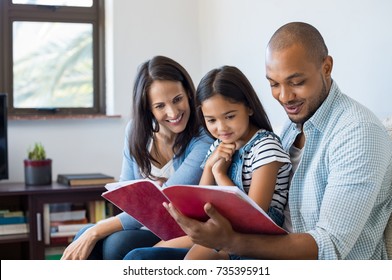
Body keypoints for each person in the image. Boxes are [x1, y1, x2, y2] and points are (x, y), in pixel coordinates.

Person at [124, 22, 392, 260]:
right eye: (274, 84)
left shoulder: (358, 133)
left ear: (326, 67)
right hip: (260, 250)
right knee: (138, 259)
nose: (285, 97)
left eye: (296, 82)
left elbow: (329, 247)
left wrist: (230, 241)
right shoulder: (291, 126)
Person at [60, 55, 213, 260]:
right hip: (141, 225)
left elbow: (162, 206)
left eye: (177, 99)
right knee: (83, 236)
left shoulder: (203, 139)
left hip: (179, 231)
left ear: (188, 93)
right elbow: (127, 195)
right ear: (148, 108)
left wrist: (97, 229)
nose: (173, 112)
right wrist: (92, 231)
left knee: (112, 243)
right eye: (160, 106)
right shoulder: (136, 131)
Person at [149, 66, 292, 260]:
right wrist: (209, 166)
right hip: (221, 224)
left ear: (249, 107)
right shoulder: (218, 145)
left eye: (230, 116)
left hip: (255, 235)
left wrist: (220, 174)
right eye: (211, 120)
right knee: (151, 251)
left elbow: (253, 215)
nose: (221, 127)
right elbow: (201, 203)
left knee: (190, 261)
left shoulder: (265, 147)